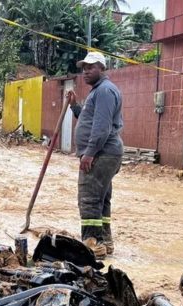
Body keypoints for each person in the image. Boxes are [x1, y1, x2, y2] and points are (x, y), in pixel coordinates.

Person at [66, 51, 123, 260]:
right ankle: (105, 241)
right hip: (106, 153)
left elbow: (101, 127)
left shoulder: (105, 91)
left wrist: (89, 153)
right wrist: (74, 106)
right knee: (101, 199)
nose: (86, 71)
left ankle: (92, 244)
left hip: (102, 153)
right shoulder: (99, 91)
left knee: (89, 198)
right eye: (84, 68)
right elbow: (89, 120)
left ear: (102, 68)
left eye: (90, 67)